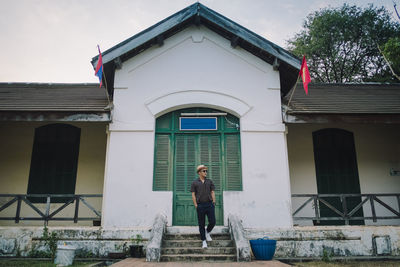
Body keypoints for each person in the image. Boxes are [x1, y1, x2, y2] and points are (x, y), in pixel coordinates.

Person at [191, 165, 216, 249]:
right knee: (201, 224)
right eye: (204, 171)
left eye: (206, 171)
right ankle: (204, 241)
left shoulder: (209, 181)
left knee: (213, 221)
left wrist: (214, 201)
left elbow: (212, 192)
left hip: (209, 204)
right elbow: (193, 194)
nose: (206, 172)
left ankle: (207, 231)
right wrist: (196, 205)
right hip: (200, 205)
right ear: (199, 173)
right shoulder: (195, 182)